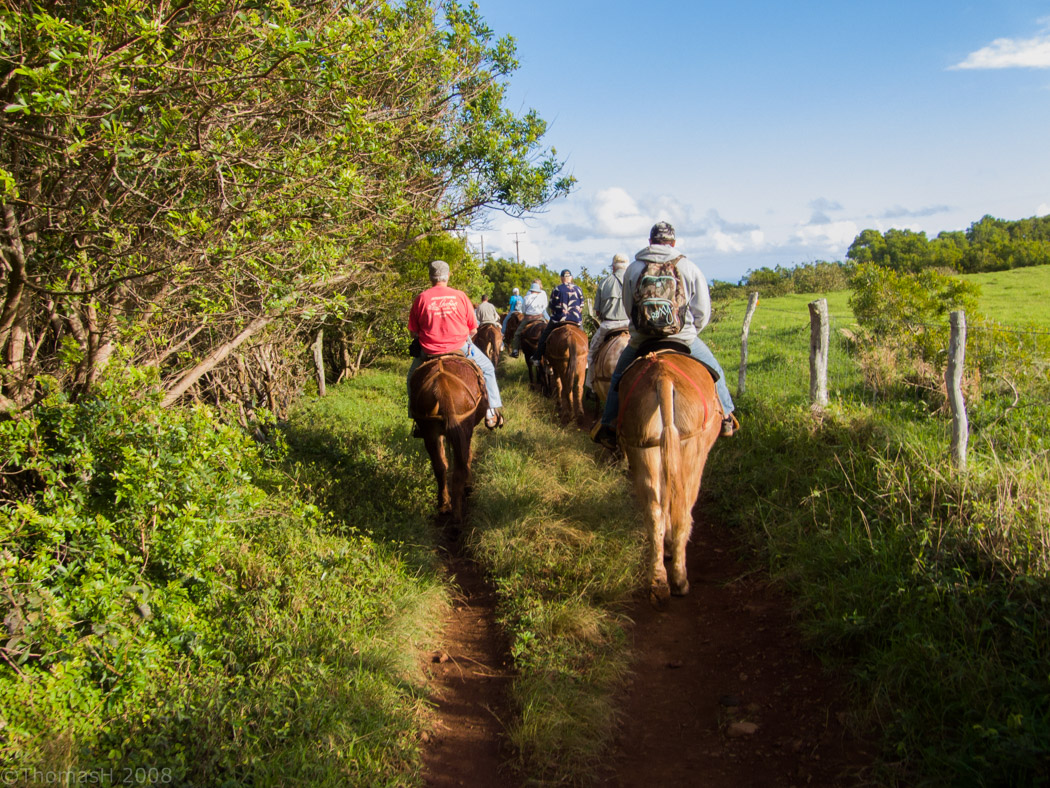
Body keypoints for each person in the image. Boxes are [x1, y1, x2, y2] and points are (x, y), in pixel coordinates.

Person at [591, 221, 737, 448]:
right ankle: (726, 416)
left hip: (642, 340)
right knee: (716, 371)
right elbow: (702, 311)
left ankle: (609, 424)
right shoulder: (688, 266)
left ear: (650, 242)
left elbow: (630, 308)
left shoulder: (634, 268)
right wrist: (689, 331)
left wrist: (642, 329)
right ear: (674, 242)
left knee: (618, 378)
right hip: (683, 339)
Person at [408, 260, 504, 430]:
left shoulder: (421, 298)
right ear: (448, 276)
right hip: (459, 347)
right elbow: (473, 330)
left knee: (411, 378)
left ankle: (416, 419)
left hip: (429, 351)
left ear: (431, 277)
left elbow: (413, 332)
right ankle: (491, 410)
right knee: (488, 368)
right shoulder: (460, 296)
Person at [584, 253, 631, 390]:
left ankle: (592, 385)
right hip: (630, 324)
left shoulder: (604, 282)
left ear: (613, 267)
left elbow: (597, 311)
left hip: (609, 325)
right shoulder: (633, 281)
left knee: (591, 353)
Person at [532, 269, 583, 365]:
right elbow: (581, 307)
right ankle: (587, 359)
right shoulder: (578, 289)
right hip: (576, 320)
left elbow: (552, 307)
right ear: (571, 278)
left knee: (544, 336)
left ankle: (537, 357)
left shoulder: (557, 289)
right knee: (583, 336)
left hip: (559, 319)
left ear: (561, 278)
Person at [509, 280, 549, 358]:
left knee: (517, 334)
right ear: (538, 290)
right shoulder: (541, 297)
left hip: (528, 318)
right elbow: (544, 307)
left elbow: (523, 310)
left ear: (531, 290)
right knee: (549, 330)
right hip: (540, 317)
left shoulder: (526, 297)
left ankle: (515, 351)